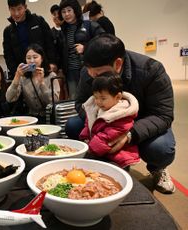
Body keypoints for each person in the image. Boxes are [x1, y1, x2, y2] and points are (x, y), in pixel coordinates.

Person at [66, 34, 176, 194]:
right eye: (88, 70)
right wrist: (100, 123)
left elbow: (162, 115)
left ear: (118, 63)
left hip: (140, 123)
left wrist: (129, 134)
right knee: (73, 125)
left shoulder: (151, 70)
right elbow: (80, 103)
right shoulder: (89, 71)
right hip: (103, 120)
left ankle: (158, 168)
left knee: (160, 148)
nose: (91, 75)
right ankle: (103, 161)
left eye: (96, 73)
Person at [79, 73, 140, 169]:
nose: (98, 101)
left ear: (118, 97)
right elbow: (89, 124)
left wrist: (90, 149)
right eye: (95, 97)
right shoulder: (96, 108)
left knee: (114, 172)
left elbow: (108, 136)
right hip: (99, 147)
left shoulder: (122, 114)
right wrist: (85, 138)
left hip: (117, 152)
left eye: (103, 98)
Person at [58, 0, 104, 99]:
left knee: (93, 97)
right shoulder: (62, 31)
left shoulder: (89, 25)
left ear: (75, 11)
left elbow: (104, 41)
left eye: (69, 10)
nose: (66, 14)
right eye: (63, 12)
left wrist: (85, 47)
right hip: (70, 72)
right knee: (75, 99)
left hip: (88, 70)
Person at [6, 44, 60, 123]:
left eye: (35, 57)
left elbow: (54, 101)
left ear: (42, 58)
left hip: (48, 118)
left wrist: (42, 83)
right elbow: (9, 98)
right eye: (28, 58)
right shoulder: (23, 78)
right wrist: (17, 76)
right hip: (31, 119)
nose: (31, 61)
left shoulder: (51, 76)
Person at [3, 0, 57, 79]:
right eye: (13, 9)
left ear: (25, 7)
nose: (16, 13)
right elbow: (8, 55)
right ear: (9, 9)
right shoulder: (8, 31)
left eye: (19, 9)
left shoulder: (39, 21)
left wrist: (52, 62)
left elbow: (50, 43)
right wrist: (15, 72)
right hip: (24, 75)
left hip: (44, 70)